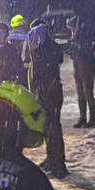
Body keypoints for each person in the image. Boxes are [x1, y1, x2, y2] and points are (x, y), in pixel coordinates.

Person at [24, 20, 68, 177]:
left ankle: (59, 165)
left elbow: (54, 60)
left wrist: (41, 46)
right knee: (48, 128)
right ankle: (51, 159)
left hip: (51, 93)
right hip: (43, 93)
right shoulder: (38, 48)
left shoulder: (49, 48)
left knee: (53, 128)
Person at [66, 16, 95, 128]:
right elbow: (72, 53)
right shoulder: (74, 38)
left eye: (72, 28)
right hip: (78, 69)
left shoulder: (85, 38)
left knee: (88, 93)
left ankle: (92, 119)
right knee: (80, 95)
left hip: (87, 69)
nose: (71, 31)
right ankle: (83, 118)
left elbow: (87, 52)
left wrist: (77, 49)